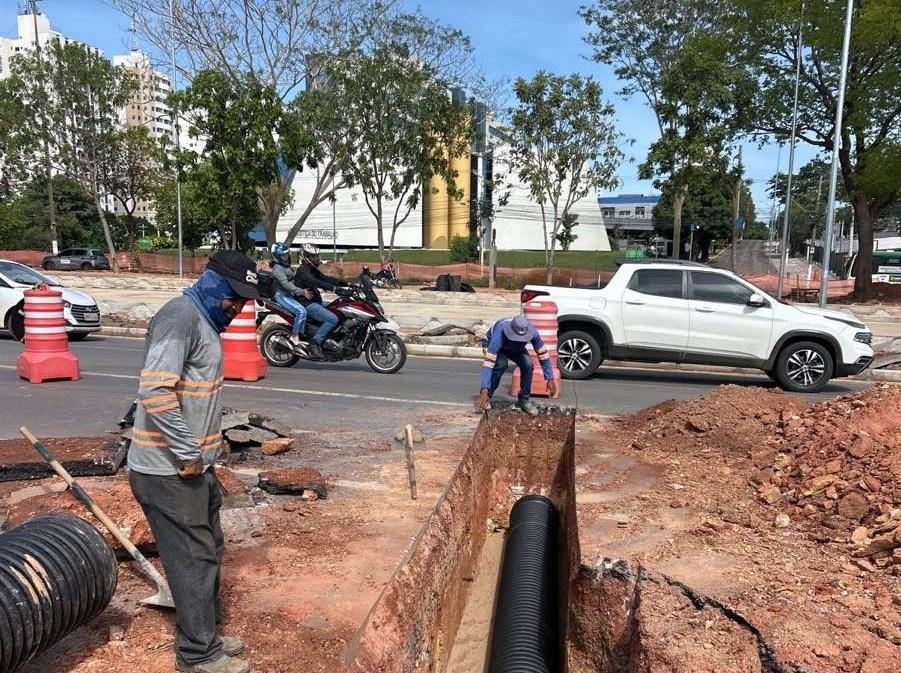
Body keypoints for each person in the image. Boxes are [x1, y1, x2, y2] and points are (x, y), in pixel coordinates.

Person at [128, 250, 260, 673]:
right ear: (213, 283)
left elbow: (197, 395)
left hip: (194, 467)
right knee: (192, 558)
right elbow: (156, 392)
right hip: (166, 470)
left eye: (244, 300)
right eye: (234, 297)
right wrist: (187, 452)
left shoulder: (204, 321)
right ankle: (197, 655)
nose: (238, 307)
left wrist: (212, 443)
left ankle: (207, 633)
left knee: (210, 550)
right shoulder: (179, 318)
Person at [476, 314, 558, 416]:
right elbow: (488, 363)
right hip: (496, 346)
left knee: (528, 364)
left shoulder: (533, 333)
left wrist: (550, 378)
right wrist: (484, 388)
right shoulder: (499, 333)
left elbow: (543, 355)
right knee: (501, 364)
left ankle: (524, 400)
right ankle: (487, 396)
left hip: (516, 348)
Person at [293, 243, 348, 357]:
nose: (316, 258)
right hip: (307, 304)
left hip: (316, 301)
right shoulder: (303, 271)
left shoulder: (311, 269)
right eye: (313, 256)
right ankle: (315, 343)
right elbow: (316, 282)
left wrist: (344, 284)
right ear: (305, 256)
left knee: (340, 309)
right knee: (333, 319)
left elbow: (324, 278)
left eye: (316, 256)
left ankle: (332, 338)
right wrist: (334, 289)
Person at [268, 242, 310, 349]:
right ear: (277, 257)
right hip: (282, 296)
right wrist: (301, 291)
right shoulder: (277, 269)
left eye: (287, 254)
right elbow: (286, 285)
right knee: (301, 312)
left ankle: (304, 335)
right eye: (283, 255)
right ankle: (295, 336)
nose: (286, 257)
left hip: (289, 295)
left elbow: (294, 278)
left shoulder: (286, 267)